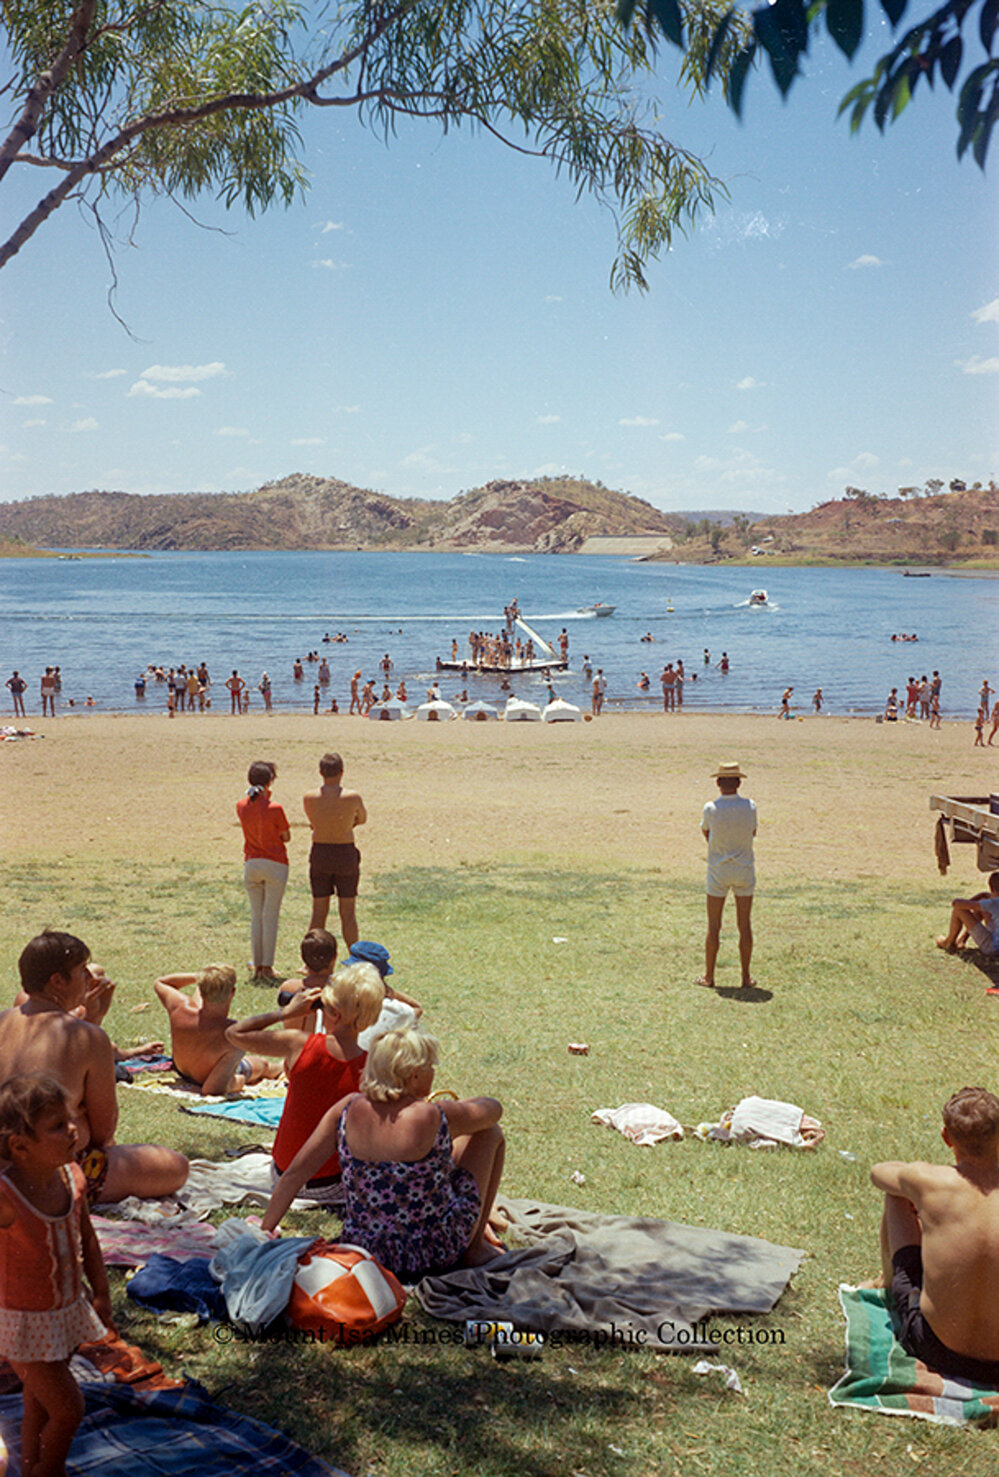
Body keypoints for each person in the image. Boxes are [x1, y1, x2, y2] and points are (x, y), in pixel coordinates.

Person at [261, 1028, 505, 1278]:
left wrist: (265, 1233)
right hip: (431, 1251)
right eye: (430, 1067)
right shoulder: (433, 1114)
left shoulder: (345, 1110)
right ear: (414, 1075)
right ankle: (475, 1248)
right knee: (490, 1133)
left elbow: (294, 1175)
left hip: (362, 1251)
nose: (433, 1072)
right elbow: (493, 1110)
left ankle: (475, 1244)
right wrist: (459, 1106)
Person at [0, 932, 188, 1204]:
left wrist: (94, 1017)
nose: (89, 982)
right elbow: (103, 1131)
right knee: (175, 1166)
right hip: (49, 1173)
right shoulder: (87, 1037)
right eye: (82, 973)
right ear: (57, 981)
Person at [0, 1074, 112, 1477]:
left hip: (63, 1314)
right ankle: (50, 1470)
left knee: (38, 1403)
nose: (71, 1129)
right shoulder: (8, 1195)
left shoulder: (73, 1178)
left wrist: (101, 1291)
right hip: (22, 1326)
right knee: (69, 1409)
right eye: (56, 1126)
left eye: (69, 1120)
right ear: (20, 1146)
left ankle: (31, 1467)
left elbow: (88, 1238)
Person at [868, 1087, 999, 1381]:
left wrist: (919, 1191)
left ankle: (887, 1282)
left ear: (946, 1137)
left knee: (896, 1193)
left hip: (936, 1347)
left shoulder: (927, 1180)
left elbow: (878, 1173)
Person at [226, 962, 384, 1200]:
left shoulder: (298, 1043)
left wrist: (286, 1012)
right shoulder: (373, 1066)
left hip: (283, 1174)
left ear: (334, 1014)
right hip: (331, 1183)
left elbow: (234, 1034)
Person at [154, 965, 281, 1095]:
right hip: (206, 1078)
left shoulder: (180, 1008)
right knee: (261, 1065)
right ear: (233, 992)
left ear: (201, 991)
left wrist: (202, 977)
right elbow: (212, 1089)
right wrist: (239, 1082)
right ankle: (282, 1067)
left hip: (182, 1069)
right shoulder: (234, 1034)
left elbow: (161, 982)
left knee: (206, 1019)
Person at [696, 761, 757, 990]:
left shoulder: (711, 808)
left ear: (718, 783)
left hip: (718, 870)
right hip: (744, 869)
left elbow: (706, 832)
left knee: (714, 926)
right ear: (739, 783)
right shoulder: (750, 806)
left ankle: (709, 976)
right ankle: (745, 977)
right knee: (744, 924)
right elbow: (753, 831)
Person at [303, 752, 366, 944]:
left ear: (320, 772)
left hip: (320, 853)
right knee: (348, 913)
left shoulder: (310, 797)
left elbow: (313, 822)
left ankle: (310, 959)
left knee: (319, 911)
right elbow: (362, 819)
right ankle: (354, 957)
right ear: (342, 772)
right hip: (344, 853)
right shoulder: (352, 797)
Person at [237, 760, 290, 980]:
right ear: (270, 782)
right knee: (270, 916)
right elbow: (286, 836)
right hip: (275, 862)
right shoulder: (275, 808)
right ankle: (267, 966)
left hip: (252, 862)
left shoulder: (241, 805)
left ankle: (258, 964)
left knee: (256, 916)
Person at [936, 873, 999, 956]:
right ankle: (961, 940)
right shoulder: (991, 903)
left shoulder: (993, 903)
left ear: (991, 889)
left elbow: (956, 904)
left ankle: (948, 942)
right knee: (981, 909)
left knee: (958, 910)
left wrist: (978, 897)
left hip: (993, 948)